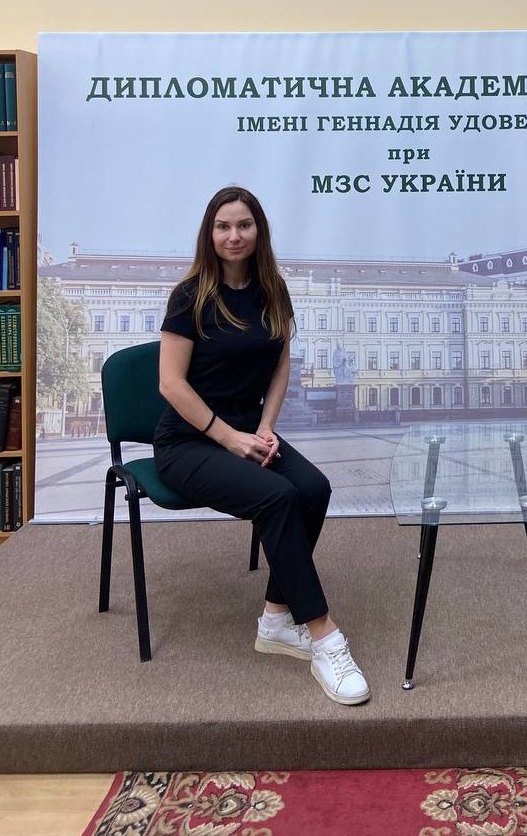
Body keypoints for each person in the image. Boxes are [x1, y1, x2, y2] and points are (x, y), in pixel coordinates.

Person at [155, 185, 369, 705]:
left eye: (244, 225)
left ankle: (275, 618)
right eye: (223, 226)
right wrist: (229, 438)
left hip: (249, 430)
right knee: (278, 497)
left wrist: (267, 427)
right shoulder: (189, 296)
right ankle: (325, 638)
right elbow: (170, 384)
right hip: (189, 440)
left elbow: (279, 368)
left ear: (259, 231)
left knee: (313, 488)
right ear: (210, 233)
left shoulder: (273, 290)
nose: (234, 235)